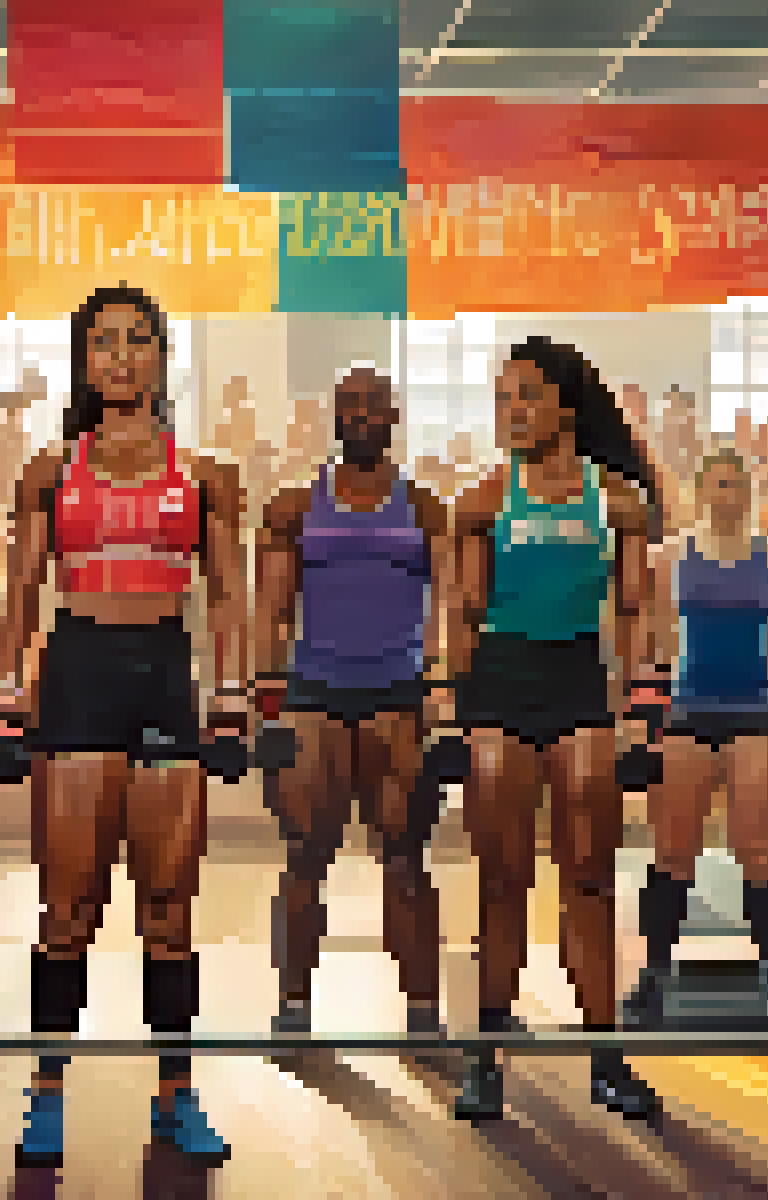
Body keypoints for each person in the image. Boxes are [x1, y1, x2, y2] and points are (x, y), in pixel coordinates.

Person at [1, 286, 245, 1167]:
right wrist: (7, 700)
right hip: (78, 680)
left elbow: (228, 595)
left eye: (137, 341)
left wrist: (233, 697)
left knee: (169, 910)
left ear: (160, 357)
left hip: (165, 682)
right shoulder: (50, 471)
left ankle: (176, 1096)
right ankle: (46, 1094)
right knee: (67, 908)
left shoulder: (206, 475)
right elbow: (20, 593)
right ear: (84, 360)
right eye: (103, 343)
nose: (120, 357)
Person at [444, 336, 662, 1120]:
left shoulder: (619, 502)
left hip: (578, 685)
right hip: (502, 685)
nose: (511, 411)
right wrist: (451, 711)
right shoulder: (482, 500)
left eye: (527, 396)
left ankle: (607, 1060)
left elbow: (633, 612)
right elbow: (464, 614)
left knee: (591, 881)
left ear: (566, 407)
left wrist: (641, 708)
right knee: (502, 882)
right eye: (503, 398)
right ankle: (485, 1060)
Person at [254, 367, 450, 1037]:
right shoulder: (293, 505)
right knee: (305, 854)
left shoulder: (424, 507)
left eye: (371, 404)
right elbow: (273, 610)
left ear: (393, 415)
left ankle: (422, 1013)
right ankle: (293, 1008)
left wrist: (440, 692)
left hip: (398, 696)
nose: (359, 415)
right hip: (314, 695)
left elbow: (448, 607)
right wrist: (266, 700)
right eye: (348, 406)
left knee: (405, 858)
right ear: (334, 418)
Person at [642, 449, 768, 1016]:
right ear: (701, 490)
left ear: (747, 492)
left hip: (754, 710)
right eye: (717, 484)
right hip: (688, 710)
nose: (726, 495)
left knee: (757, 847)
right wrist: (644, 726)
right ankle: (655, 971)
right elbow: (657, 644)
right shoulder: (671, 555)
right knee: (672, 849)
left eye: (735, 485)